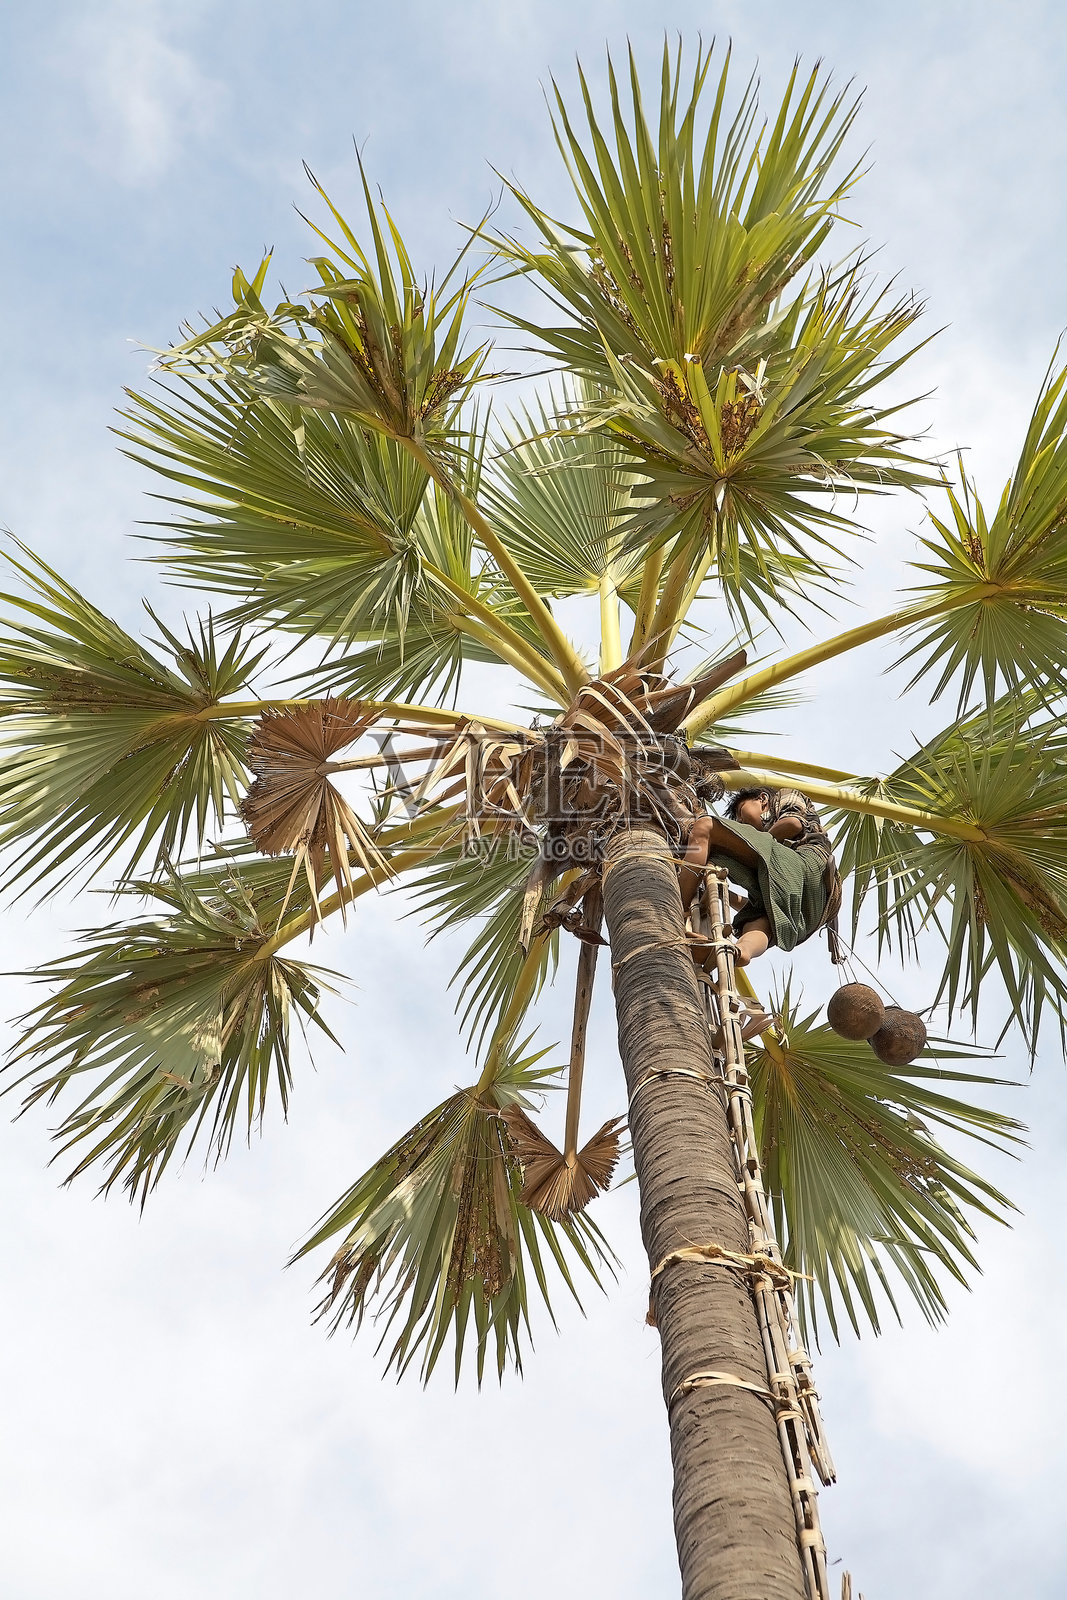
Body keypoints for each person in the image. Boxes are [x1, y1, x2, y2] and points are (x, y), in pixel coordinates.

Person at [680, 785, 842, 967]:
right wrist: (723, 893)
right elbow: (755, 903)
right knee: (757, 920)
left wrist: (752, 842)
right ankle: (739, 951)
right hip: (811, 907)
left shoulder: (784, 796)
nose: (741, 822)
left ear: (762, 799)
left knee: (706, 827)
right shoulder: (772, 866)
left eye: (741, 812)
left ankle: (677, 910)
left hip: (808, 862)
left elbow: (793, 823)